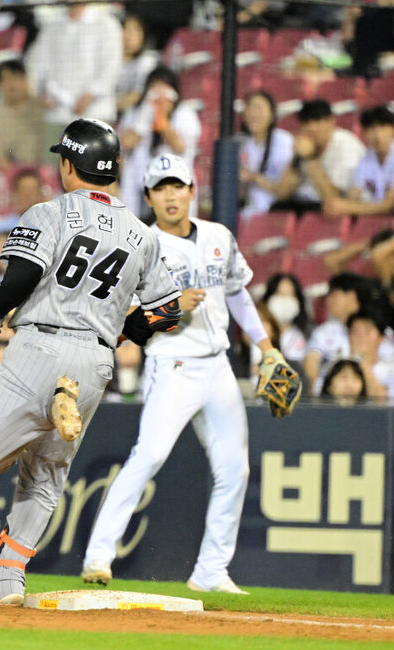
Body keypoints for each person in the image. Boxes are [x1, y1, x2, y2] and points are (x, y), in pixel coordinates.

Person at [0, 118, 181, 606]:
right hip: (96, 360)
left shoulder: (49, 211)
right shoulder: (142, 234)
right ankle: (5, 579)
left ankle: (48, 407)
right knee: (45, 475)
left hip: (40, 346)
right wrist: (126, 331)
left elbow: (22, 274)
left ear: (68, 164)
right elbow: (168, 308)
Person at [81, 152, 284, 594]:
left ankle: (210, 570)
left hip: (217, 366)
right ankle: (99, 554)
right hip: (171, 362)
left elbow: (238, 295)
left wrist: (266, 348)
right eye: (161, 188)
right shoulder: (141, 244)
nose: (171, 195)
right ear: (149, 197)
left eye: (179, 186)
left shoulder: (219, 235)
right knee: (149, 455)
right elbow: (120, 313)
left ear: (192, 191)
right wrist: (170, 306)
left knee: (235, 469)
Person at [28, 3, 122, 149]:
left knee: (91, 168)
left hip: (94, 114)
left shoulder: (106, 23)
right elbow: (38, 65)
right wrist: (41, 94)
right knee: (54, 168)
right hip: (57, 114)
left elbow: (111, 67)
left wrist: (90, 95)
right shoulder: (52, 25)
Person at [117, 66, 201, 217]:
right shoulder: (137, 112)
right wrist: (146, 115)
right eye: (155, 87)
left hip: (172, 192)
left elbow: (180, 146)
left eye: (164, 87)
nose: (159, 93)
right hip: (140, 190)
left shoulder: (185, 113)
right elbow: (126, 142)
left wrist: (161, 116)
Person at [325, 105, 394, 219]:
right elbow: (353, 195)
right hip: (387, 216)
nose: (377, 135)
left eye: (382, 127)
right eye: (371, 129)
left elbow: (388, 205)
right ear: (363, 134)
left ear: (393, 130)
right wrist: (337, 206)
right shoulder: (368, 158)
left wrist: (348, 207)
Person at [270, 99, 366, 215]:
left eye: (317, 121)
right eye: (306, 123)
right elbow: (283, 192)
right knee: (277, 208)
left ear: (331, 122)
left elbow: (333, 199)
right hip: (310, 204)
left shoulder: (346, 145)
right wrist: (296, 157)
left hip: (345, 208)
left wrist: (310, 158)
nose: (311, 128)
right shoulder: (305, 146)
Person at [238, 90, 294, 218]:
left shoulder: (283, 141)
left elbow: (286, 190)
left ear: (272, 114)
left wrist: (253, 177)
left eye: (258, 108)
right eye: (249, 108)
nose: (253, 114)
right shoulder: (245, 145)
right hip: (252, 211)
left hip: (278, 211)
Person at [0, 59, 48, 167]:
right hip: (14, 173)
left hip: (45, 169)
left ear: (26, 80)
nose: (12, 85)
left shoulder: (42, 107)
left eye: (16, 78)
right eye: (7, 79)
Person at [341, 0, 394, 78]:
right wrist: (350, 19)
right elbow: (347, 42)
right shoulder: (363, 6)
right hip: (361, 64)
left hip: (388, 67)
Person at [261, 272, 311, 364]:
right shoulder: (257, 330)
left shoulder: (307, 333)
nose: (284, 300)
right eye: (279, 293)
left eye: (289, 294)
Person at [116, 13, 159, 117]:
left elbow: (136, 96)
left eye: (135, 30)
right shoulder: (108, 61)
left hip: (134, 117)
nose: (129, 35)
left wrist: (107, 106)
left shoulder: (147, 62)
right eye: (125, 29)